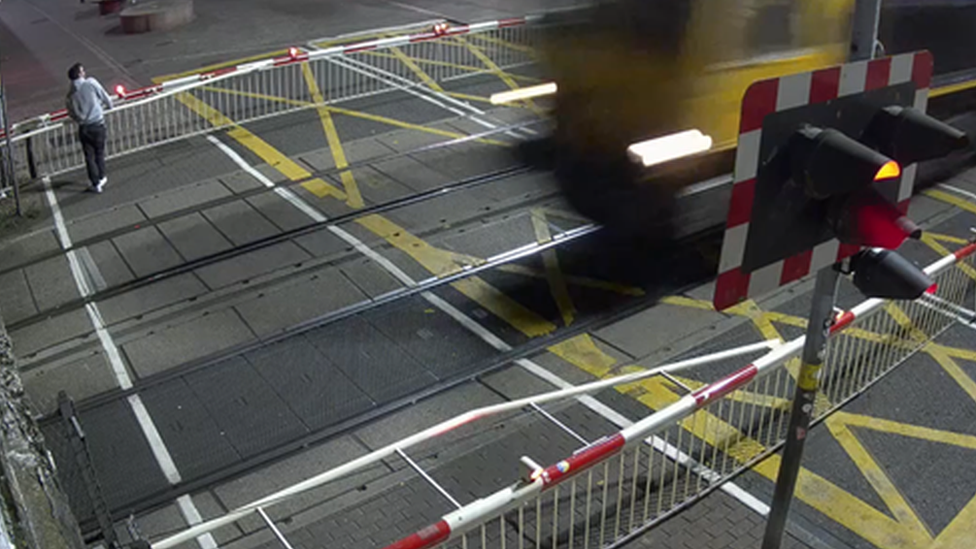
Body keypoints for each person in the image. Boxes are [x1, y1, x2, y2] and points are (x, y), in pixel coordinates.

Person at [66, 63, 113, 193]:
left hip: (84, 128)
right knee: (99, 152)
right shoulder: (91, 83)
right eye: (82, 71)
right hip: (97, 124)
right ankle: (102, 176)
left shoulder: (70, 95)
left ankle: (95, 183)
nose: (85, 72)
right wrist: (110, 106)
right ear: (80, 74)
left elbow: (71, 113)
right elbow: (104, 96)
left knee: (89, 156)